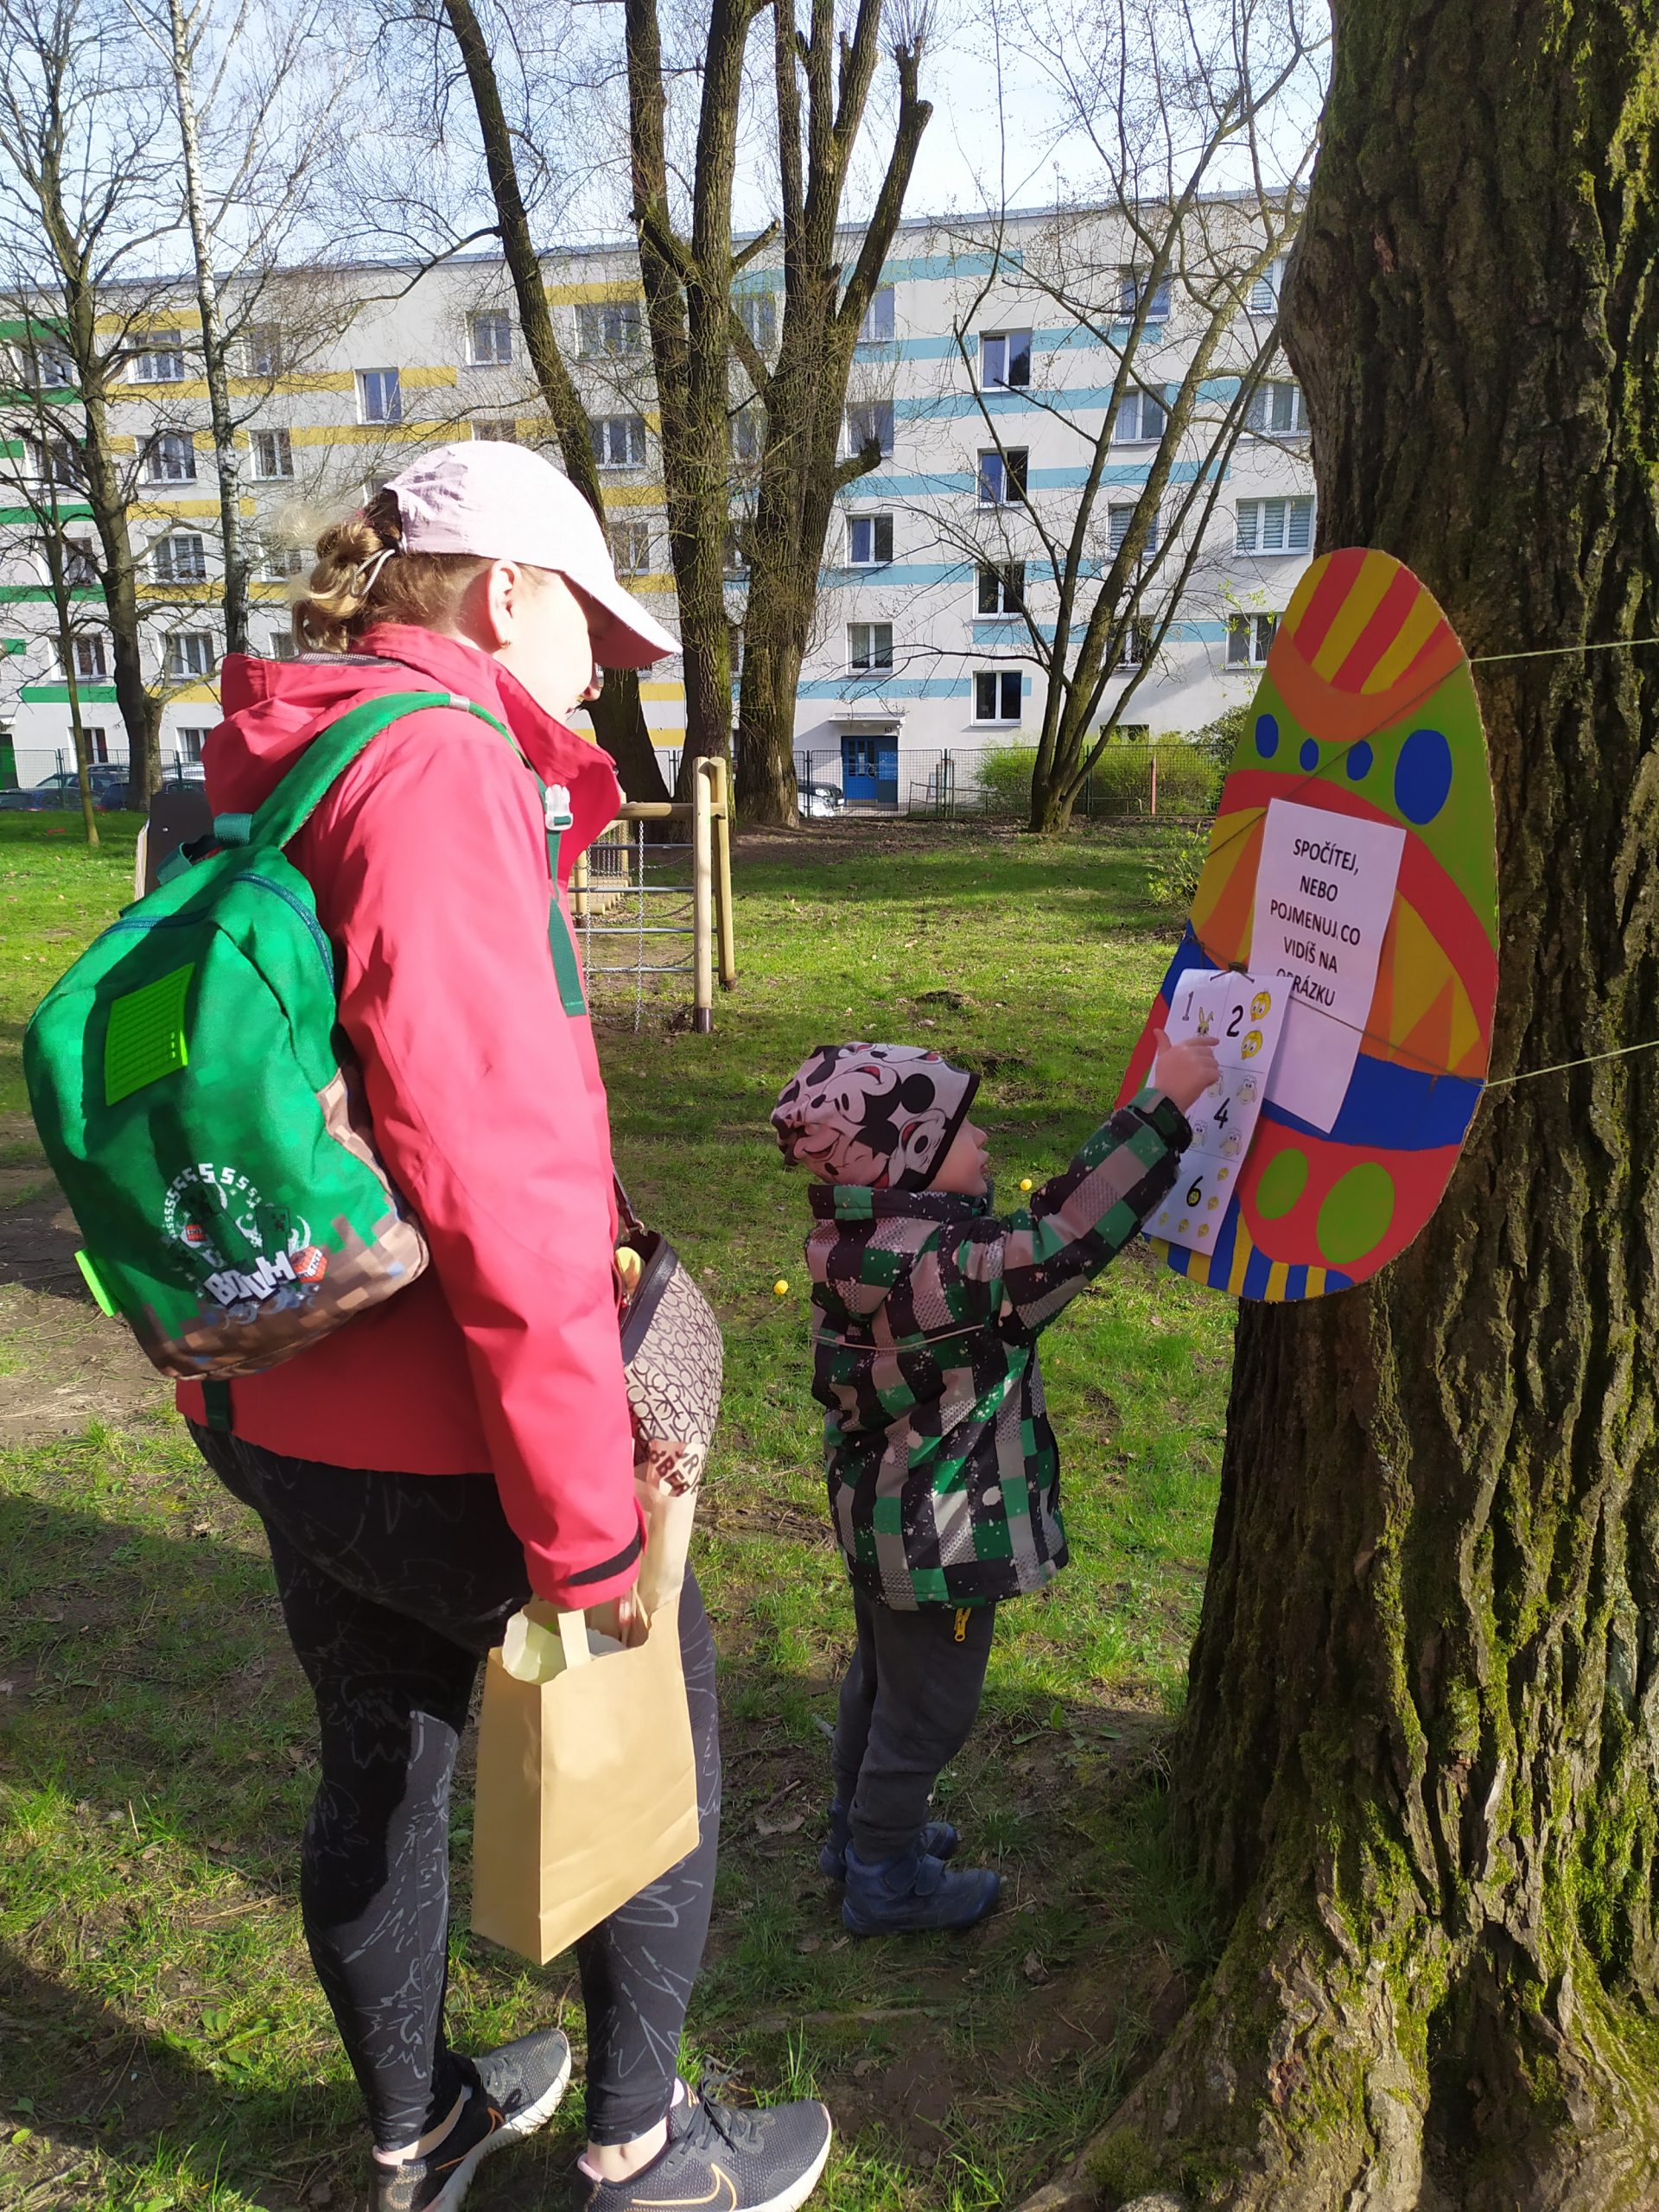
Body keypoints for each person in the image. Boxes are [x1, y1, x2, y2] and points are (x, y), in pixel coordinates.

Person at [182, 441, 833, 2212]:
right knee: (650, 1710)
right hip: (439, 1422)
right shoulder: (442, 765)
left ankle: (422, 2134)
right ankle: (645, 2148)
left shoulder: (287, 751)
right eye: (594, 641)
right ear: (507, 590)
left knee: (378, 1753)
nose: (602, 683)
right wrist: (585, 1523)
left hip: (279, 1391)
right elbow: (507, 1176)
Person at [770, 1032, 1219, 1935]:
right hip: (938, 1541)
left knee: (880, 1686)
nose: (984, 1141)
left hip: (880, 1519)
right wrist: (1161, 1108)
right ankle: (885, 1875)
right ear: (910, 1161)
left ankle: (855, 1834)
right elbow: (1067, 1236)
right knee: (928, 1712)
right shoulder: (951, 1273)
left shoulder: (860, 1246)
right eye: (962, 1131)